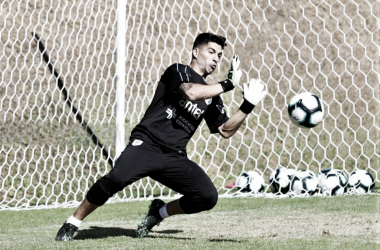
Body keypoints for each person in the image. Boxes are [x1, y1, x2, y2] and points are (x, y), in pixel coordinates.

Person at [55, 32, 267, 241]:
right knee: (117, 178)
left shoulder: (212, 96)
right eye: (211, 51)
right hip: (147, 144)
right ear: (195, 51)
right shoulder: (178, 71)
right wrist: (227, 84)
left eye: (219, 55)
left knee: (207, 197)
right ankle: (73, 222)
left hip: (174, 156)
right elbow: (191, 93)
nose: (215, 58)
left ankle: (159, 212)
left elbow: (225, 130)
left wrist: (247, 106)